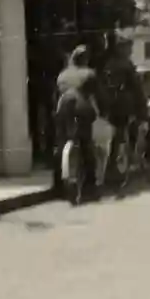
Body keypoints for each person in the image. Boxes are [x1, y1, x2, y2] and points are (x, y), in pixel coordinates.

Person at [52, 44, 101, 201]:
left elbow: (56, 95)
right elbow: (98, 96)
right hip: (81, 108)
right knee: (86, 144)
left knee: (60, 144)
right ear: (86, 59)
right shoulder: (89, 73)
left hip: (63, 108)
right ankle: (90, 188)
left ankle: (58, 185)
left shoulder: (62, 75)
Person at [100, 35, 148, 180]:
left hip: (110, 104)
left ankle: (113, 163)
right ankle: (132, 157)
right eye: (128, 47)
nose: (130, 50)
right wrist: (142, 109)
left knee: (117, 133)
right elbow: (136, 88)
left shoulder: (108, 63)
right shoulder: (126, 64)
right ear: (121, 48)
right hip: (124, 105)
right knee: (133, 127)